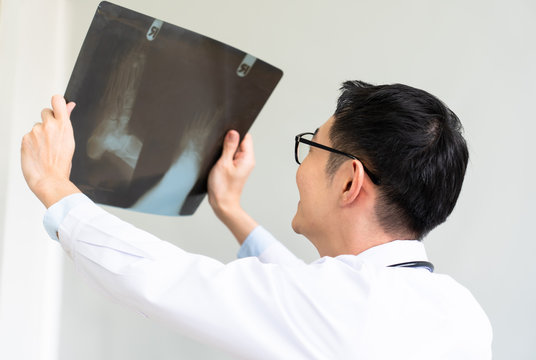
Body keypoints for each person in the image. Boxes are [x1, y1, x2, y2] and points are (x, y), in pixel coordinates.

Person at [21, 81, 492, 359]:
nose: (300, 167)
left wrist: (54, 186)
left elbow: (169, 281)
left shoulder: (341, 308)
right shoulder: (463, 314)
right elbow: (305, 306)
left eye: (311, 147)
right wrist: (231, 210)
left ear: (350, 182)